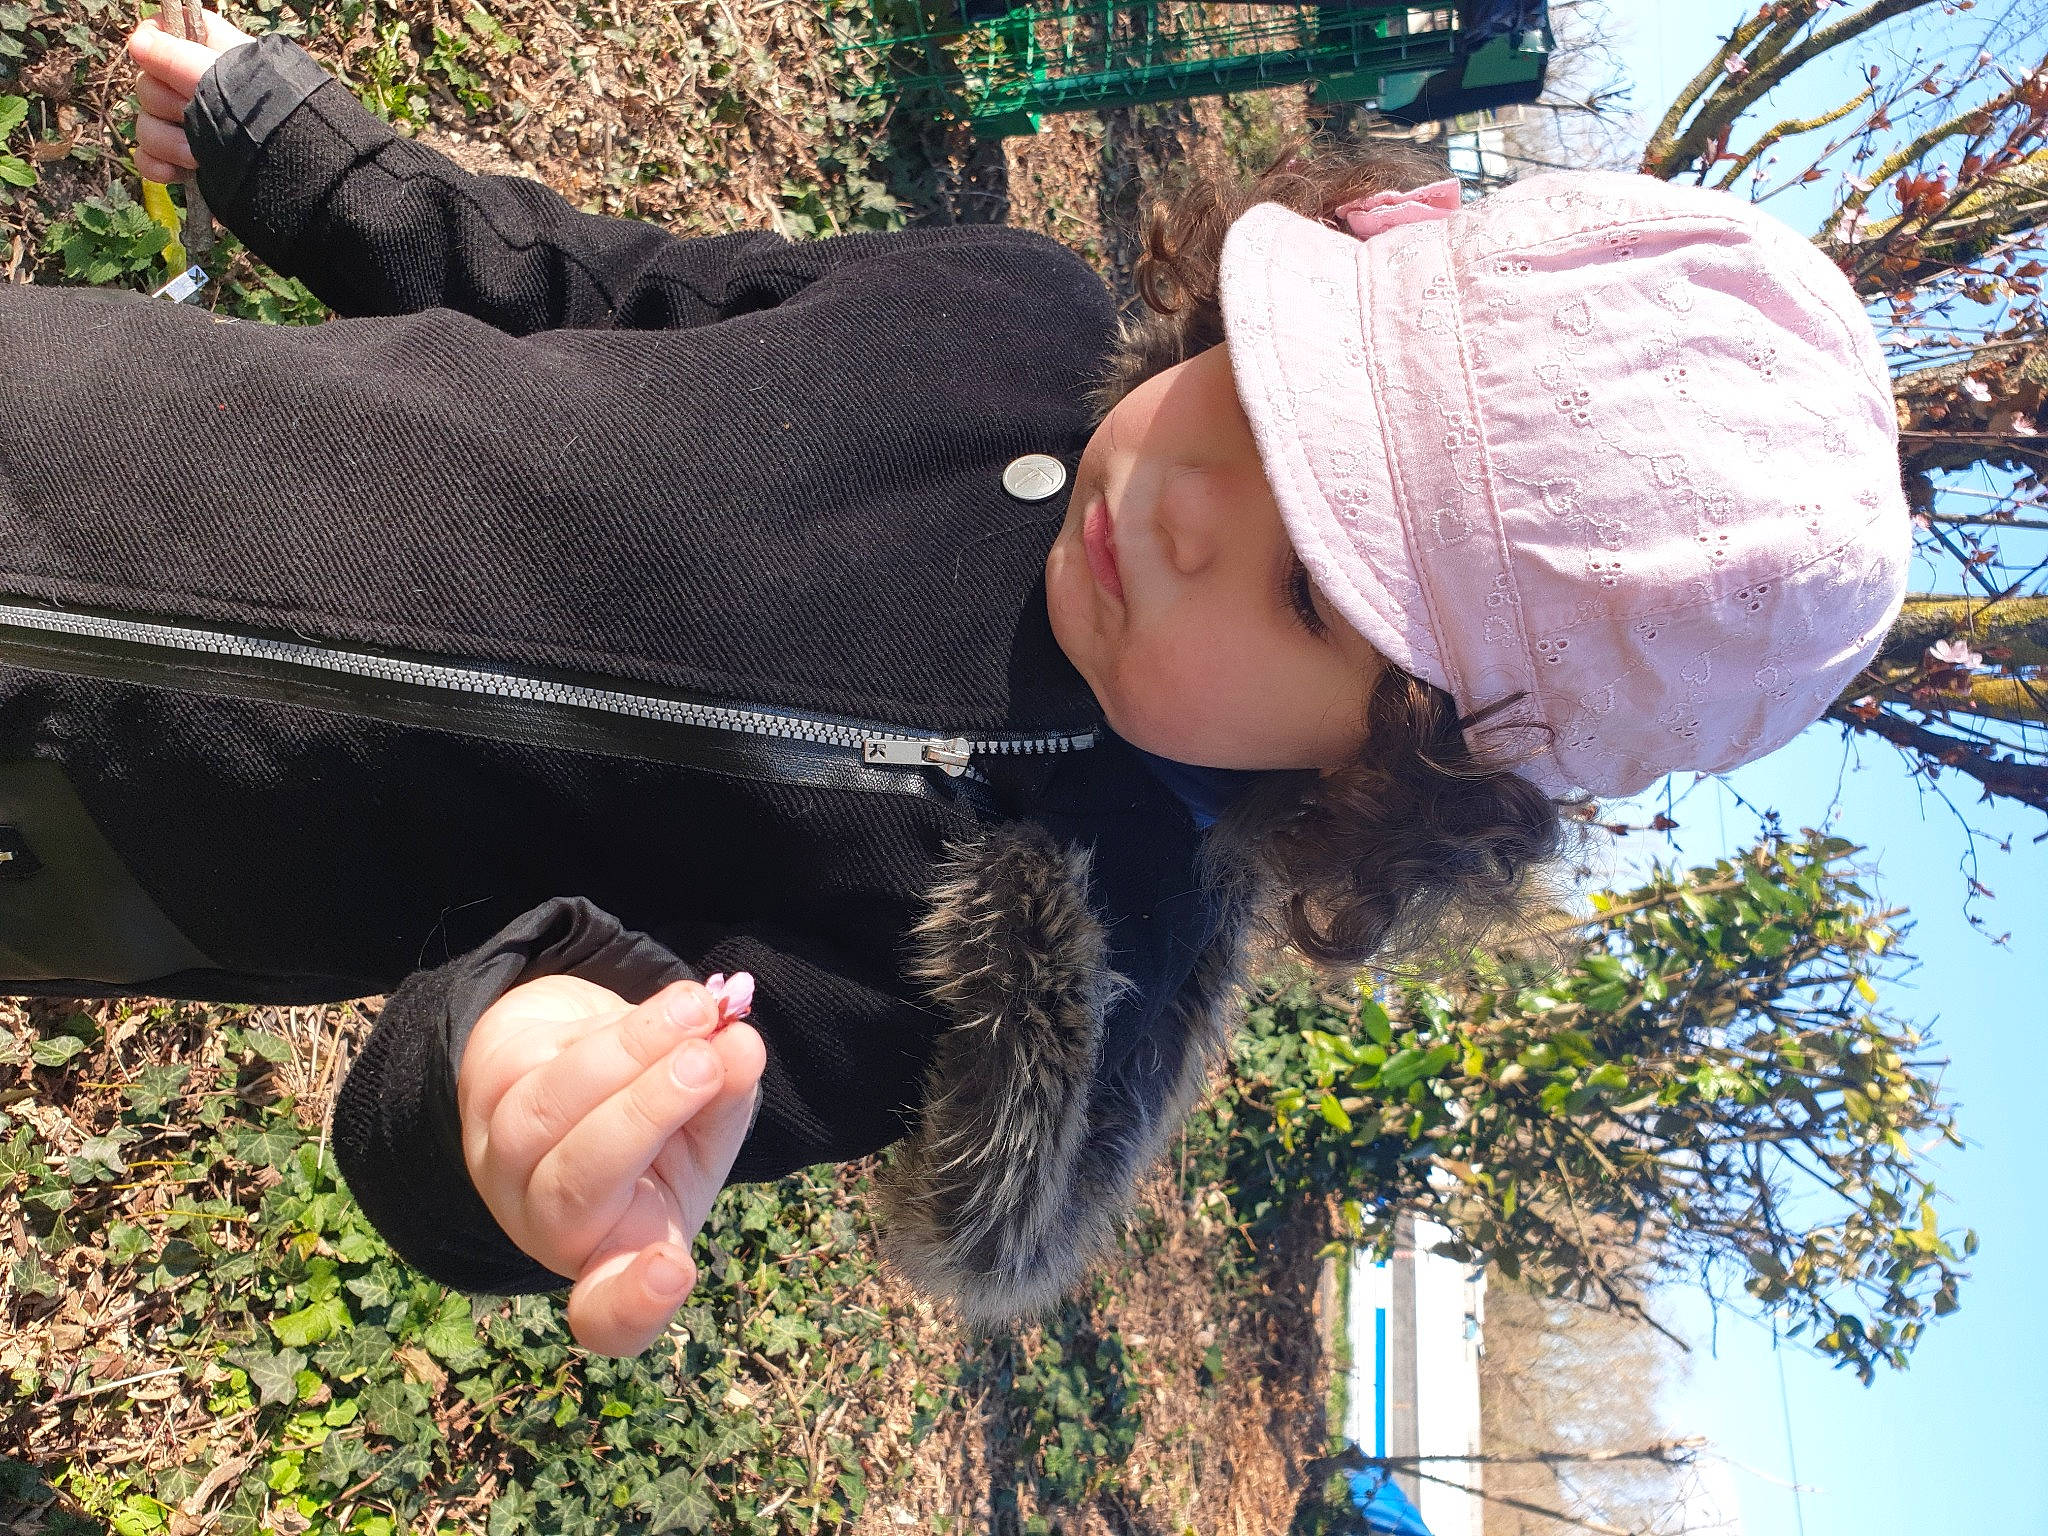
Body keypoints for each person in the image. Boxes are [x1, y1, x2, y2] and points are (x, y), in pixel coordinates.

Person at [0, 11, 1907, 1358]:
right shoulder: (997, 313)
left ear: (1375, 782)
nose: (1185, 500)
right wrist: (308, 157)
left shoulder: (996, 967)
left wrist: (507, 1103)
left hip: (84, 840)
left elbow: (573, 1049)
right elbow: (593, 287)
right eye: (1266, 384)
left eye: (1311, 587)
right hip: (82, 414)